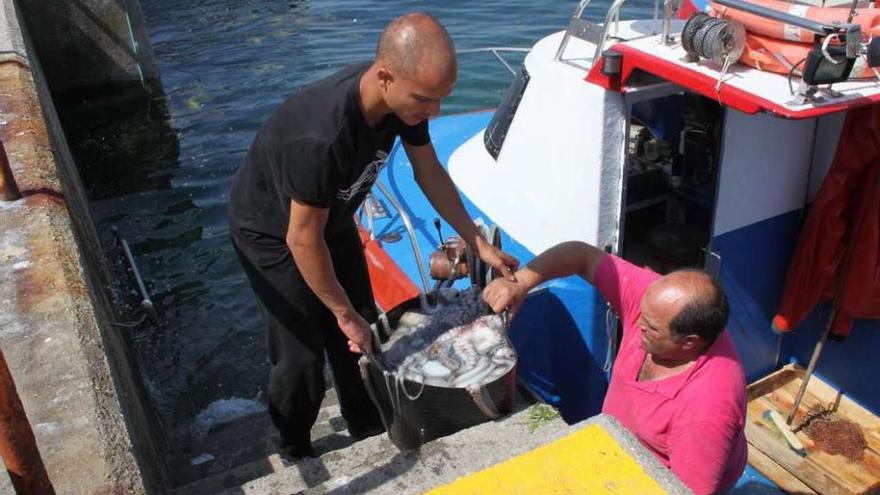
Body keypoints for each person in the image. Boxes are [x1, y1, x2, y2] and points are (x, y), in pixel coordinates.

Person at [228, 13, 519, 460]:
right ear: (385, 77)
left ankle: (364, 422)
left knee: (366, 329)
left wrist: (476, 242)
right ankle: (293, 446)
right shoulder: (320, 137)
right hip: (273, 234)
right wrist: (339, 311)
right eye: (426, 99)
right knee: (302, 352)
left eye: (441, 100)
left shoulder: (404, 101)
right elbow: (302, 239)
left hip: (334, 219)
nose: (434, 112)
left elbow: (429, 173)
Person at [482, 241, 746, 495]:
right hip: (615, 447)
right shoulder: (658, 303)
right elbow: (580, 255)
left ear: (689, 342)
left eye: (651, 327)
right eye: (642, 312)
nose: (636, 321)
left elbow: (686, 491)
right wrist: (522, 282)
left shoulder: (706, 411)